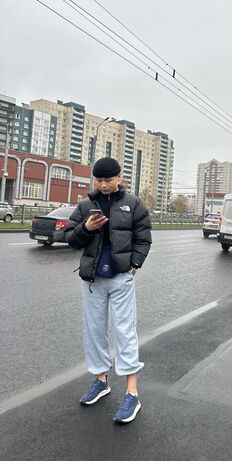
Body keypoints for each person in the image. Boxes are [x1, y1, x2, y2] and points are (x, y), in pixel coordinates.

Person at [65, 157, 152, 424]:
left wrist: (134, 264)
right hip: (92, 279)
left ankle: (132, 393)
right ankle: (101, 380)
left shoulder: (133, 204)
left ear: (119, 177)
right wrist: (86, 228)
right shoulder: (85, 206)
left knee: (124, 330)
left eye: (108, 180)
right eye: (99, 180)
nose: (103, 185)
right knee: (94, 330)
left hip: (120, 277)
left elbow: (144, 237)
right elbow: (70, 238)